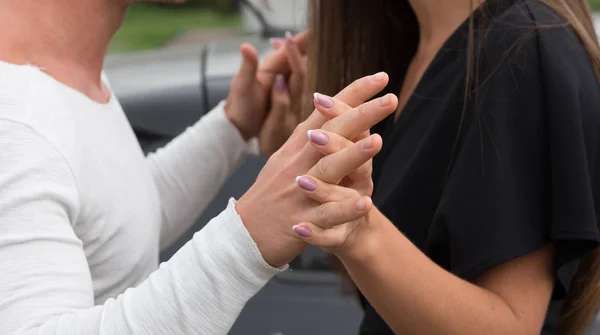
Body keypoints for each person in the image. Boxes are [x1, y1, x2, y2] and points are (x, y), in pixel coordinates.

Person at [0, 0, 395, 334]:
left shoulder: (56, 75)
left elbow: (112, 227)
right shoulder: (14, 117)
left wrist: (233, 130)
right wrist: (251, 234)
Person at [287, 0, 600, 334]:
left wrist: (360, 230)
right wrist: (292, 143)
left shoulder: (518, 46)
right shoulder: (405, 48)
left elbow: (510, 325)